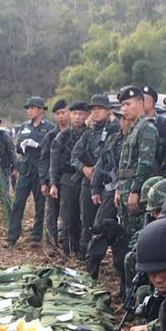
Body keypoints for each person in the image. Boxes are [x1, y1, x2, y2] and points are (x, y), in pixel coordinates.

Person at [72, 93, 120, 264]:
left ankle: (112, 257)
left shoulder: (117, 131)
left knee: (109, 223)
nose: (96, 112)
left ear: (108, 111)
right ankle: (87, 256)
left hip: (110, 183)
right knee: (88, 222)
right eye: (93, 109)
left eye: (100, 109)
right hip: (90, 183)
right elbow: (74, 157)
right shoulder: (87, 135)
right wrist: (84, 168)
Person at [114, 87, 158, 261]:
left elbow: (145, 163)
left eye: (127, 104)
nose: (124, 109)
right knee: (128, 236)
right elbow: (124, 164)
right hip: (125, 192)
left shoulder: (146, 128)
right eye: (122, 105)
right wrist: (119, 188)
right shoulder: (132, 130)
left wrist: (135, 190)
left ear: (140, 103)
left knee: (138, 239)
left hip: (136, 193)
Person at [6, 96, 54, 248]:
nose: (29, 111)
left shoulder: (50, 128)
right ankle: (12, 236)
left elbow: (51, 149)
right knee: (18, 202)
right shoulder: (24, 126)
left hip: (40, 170)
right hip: (25, 169)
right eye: (28, 108)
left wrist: (38, 145)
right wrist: (22, 146)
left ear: (40, 109)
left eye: (32, 108)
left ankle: (36, 237)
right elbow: (19, 147)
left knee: (40, 204)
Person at [49, 101, 89, 259]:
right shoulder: (62, 136)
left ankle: (81, 250)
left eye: (81, 114)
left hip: (86, 178)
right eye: (75, 114)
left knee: (84, 216)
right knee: (67, 216)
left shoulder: (90, 134)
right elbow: (54, 161)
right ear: (70, 115)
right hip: (67, 179)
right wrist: (53, 183)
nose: (78, 117)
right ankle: (67, 250)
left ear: (86, 116)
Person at [40, 99, 70, 251]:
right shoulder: (51, 135)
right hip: (52, 179)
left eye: (63, 113)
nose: (61, 116)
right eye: (57, 114)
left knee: (68, 213)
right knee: (52, 212)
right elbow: (44, 158)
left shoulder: (75, 133)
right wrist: (43, 182)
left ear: (68, 112)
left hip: (70, 179)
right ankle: (51, 244)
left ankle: (67, 243)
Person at [142, 85, 166, 176]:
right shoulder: (136, 125)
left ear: (150, 103)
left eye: (141, 100)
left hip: (161, 176)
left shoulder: (165, 124)